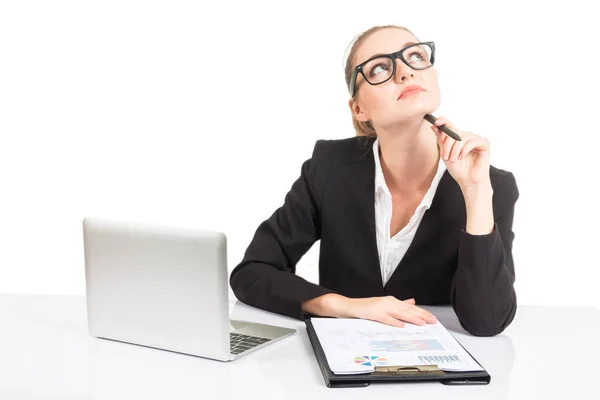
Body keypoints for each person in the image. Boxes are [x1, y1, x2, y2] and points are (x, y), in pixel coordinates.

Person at [230, 25, 519, 337]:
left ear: (434, 77)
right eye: (380, 67)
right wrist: (345, 306)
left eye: (416, 56)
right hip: (339, 361)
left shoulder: (491, 185)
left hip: (441, 369)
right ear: (359, 108)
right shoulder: (328, 166)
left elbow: (487, 322)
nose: (405, 72)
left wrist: (475, 192)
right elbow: (253, 273)